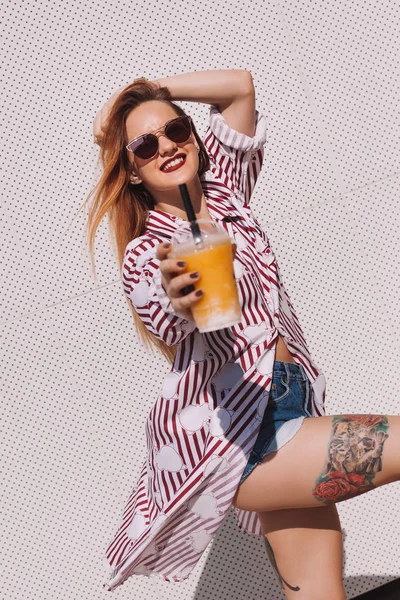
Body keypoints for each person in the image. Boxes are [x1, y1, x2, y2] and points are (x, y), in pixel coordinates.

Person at [87, 70, 399, 599]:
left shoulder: (227, 193)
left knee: (320, 592)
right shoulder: (147, 253)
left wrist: (148, 92)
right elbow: (163, 300)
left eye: (177, 130)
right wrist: (180, 292)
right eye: (145, 145)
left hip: (295, 401)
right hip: (246, 436)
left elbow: (240, 88)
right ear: (133, 172)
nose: (166, 146)